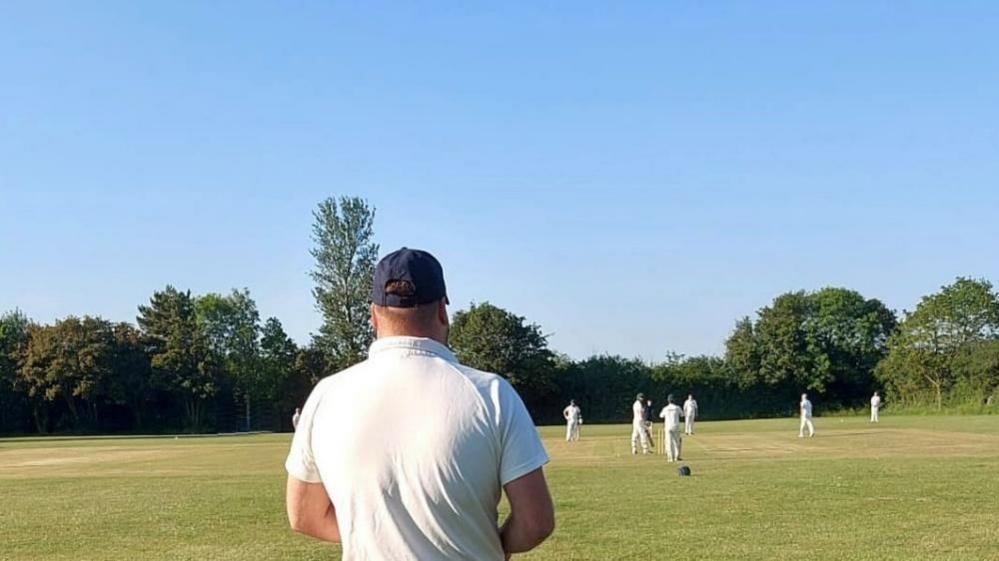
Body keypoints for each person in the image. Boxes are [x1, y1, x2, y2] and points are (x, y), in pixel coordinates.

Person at [285, 248, 554, 560]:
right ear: (443, 310)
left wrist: (378, 539)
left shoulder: (325, 395)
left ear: (373, 315)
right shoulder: (492, 394)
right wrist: (488, 543)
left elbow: (304, 515)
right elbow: (536, 521)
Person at [659, 394, 683, 463]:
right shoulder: (677, 408)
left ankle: (670, 458)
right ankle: (676, 456)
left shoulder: (665, 408)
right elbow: (682, 414)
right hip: (676, 426)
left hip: (668, 427)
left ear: (668, 400)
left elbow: (661, 416)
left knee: (669, 442)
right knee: (677, 442)